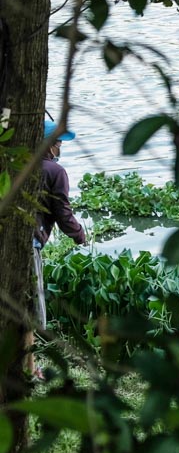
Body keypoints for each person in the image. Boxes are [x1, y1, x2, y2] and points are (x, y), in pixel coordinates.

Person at [27, 119, 87, 378]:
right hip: (29, 247)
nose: (60, 146)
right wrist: (79, 234)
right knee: (29, 309)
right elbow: (62, 212)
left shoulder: (17, 164)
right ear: (48, 145)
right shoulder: (55, 172)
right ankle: (28, 368)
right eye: (58, 142)